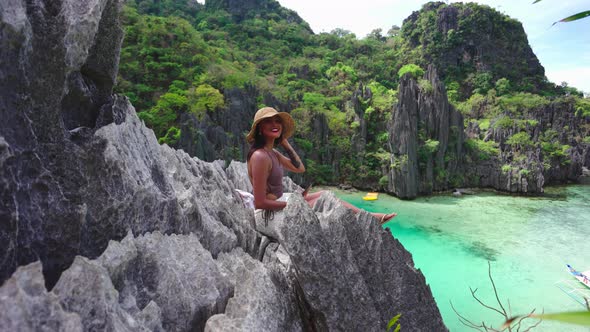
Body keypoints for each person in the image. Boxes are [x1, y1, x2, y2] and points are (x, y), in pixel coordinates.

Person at [246, 107, 397, 224]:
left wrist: (285, 144)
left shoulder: (272, 153)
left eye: (277, 121)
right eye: (268, 121)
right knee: (325, 203)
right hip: (267, 216)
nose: (274, 124)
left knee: (324, 194)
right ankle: (370, 218)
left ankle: (367, 216)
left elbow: (299, 168)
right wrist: (294, 205)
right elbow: (260, 203)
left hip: (278, 203)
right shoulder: (260, 156)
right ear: (260, 128)